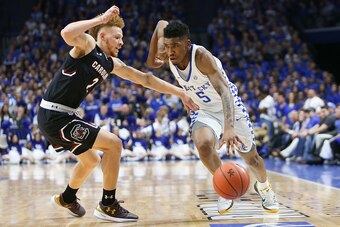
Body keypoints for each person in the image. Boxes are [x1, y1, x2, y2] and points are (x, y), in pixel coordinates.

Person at [38, 6, 198, 223]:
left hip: (64, 117)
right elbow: (66, 33)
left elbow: (146, 79)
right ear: (102, 35)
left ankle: (67, 197)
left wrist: (180, 92)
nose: (121, 42)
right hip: (55, 116)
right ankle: (108, 204)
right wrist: (101, 19)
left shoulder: (111, 63)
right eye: (117, 37)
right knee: (114, 144)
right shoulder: (87, 45)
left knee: (91, 160)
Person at [147, 20, 279, 214]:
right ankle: (225, 187)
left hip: (229, 106)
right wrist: (158, 49)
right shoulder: (168, 53)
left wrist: (229, 127)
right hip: (203, 110)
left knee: (252, 159)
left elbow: (225, 91)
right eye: (167, 46)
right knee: (203, 144)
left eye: (175, 45)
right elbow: (156, 42)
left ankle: (264, 187)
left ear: (187, 44)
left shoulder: (201, 57)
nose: (171, 50)